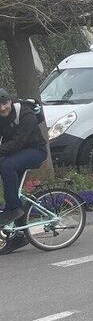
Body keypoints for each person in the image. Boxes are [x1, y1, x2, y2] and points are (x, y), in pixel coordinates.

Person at [0, 89, 49, 255]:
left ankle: (13, 208)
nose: (2, 108)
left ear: (10, 101)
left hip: (35, 151)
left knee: (7, 166)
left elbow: (19, 142)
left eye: (4, 103)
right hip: (16, 152)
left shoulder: (25, 112)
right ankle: (19, 236)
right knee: (12, 183)